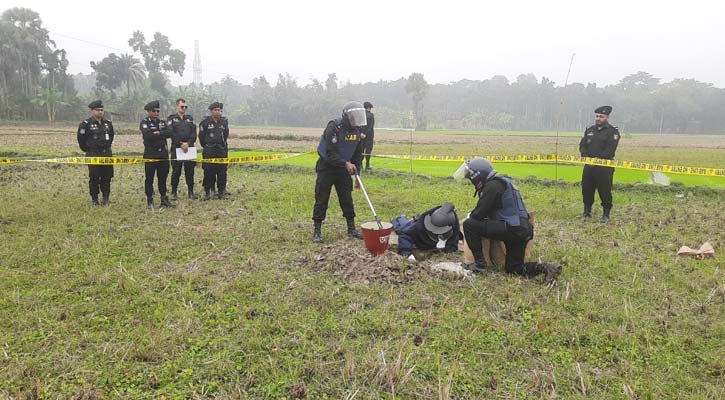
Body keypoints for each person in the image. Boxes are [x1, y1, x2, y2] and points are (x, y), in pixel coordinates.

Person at [457, 158, 561, 283]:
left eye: (470, 177)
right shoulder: (506, 183)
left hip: (510, 228)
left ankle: (479, 265)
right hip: (524, 229)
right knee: (513, 268)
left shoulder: (492, 186)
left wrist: (470, 215)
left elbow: (478, 214)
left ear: (477, 175)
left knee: (469, 224)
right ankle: (546, 267)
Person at [312, 101, 367, 243]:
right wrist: (345, 163)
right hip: (327, 168)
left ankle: (351, 229)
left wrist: (357, 177)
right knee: (321, 199)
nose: (356, 121)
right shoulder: (334, 127)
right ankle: (317, 231)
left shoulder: (357, 131)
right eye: (353, 117)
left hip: (344, 170)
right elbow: (330, 153)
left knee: (347, 199)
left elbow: (357, 155)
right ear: (346, 116)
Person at [579, 105, 621, 223]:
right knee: (586, 189)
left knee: (605, 191)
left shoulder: (612, 132)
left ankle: (606, 214)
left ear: (606, 117)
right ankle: (587, 212)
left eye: (601, 116)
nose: (598, 118)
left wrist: (597, 160)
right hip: (589, 167)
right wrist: (586, 158)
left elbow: (610, 149)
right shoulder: (590, 130)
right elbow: (583, 145)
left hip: (604, 168)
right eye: (597, 116)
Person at [391, 202, 460, 260]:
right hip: (421, 241)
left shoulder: (453, 227)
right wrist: (406, 253)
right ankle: (400, 218)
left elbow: (453, 241)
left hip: (433, 246)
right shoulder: (419, 226)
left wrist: (449, 250)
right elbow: (405, 234)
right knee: (402, 228)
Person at [77, 100, 114, 206]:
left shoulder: (108, 124)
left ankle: (105, 197)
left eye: (102, 110)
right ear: (91, 111)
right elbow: (81, 140)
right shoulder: (85, 124)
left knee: (107, 177)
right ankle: (95, 199)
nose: (100, 112)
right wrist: (88, 150)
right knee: (94, 177)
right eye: (98, 110)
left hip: (106, 153)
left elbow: (111, 137)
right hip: (93, 154)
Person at [140, 100, 174, 209]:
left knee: (162, 178)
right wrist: (161, 134)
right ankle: (150, 200)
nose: (156, 113)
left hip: (163, 154)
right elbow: (148, 135)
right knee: (149, 178)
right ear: (149, 112)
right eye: (154, 111)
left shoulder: (162, 122)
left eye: (158, 111)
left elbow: (170, 133)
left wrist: (159, 132)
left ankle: (164, 199)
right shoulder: (144, 122)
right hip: (151, 154)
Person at [199, 102, 230, 200]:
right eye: (216, 110)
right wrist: (208, 145)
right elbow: (201, 137)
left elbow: (225, 135)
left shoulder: (224, 122)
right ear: (211, 111)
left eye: (219, 110)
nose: (218, 112)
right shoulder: (205, 122)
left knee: (222, 171)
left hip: (221, 149)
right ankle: (207, 191)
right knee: (208, 171)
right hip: (209, 149)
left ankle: (221, 191)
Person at [168, 98, 197, 200]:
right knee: (176, 171)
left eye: (186, 107)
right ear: (177, 106)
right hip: (177, 148)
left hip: (189, 148)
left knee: (190, 171)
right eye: (182, 106)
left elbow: (194, 132)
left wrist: (188, 143)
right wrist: (181, 144)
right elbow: (171, 133)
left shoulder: (190, 118)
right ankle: (174, 193)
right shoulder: (171, 119)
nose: (184, 108)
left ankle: (191, 192)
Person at [361, 101, 375, 170]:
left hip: (361, 136)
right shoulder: (371, 116)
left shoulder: (361, 115)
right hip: (369, 136)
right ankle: (367, 165)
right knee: (368, 150)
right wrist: (366, 133)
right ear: (369, 108)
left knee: (361, 150)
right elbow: (371, 127)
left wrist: (362, 133)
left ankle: (360, 165)